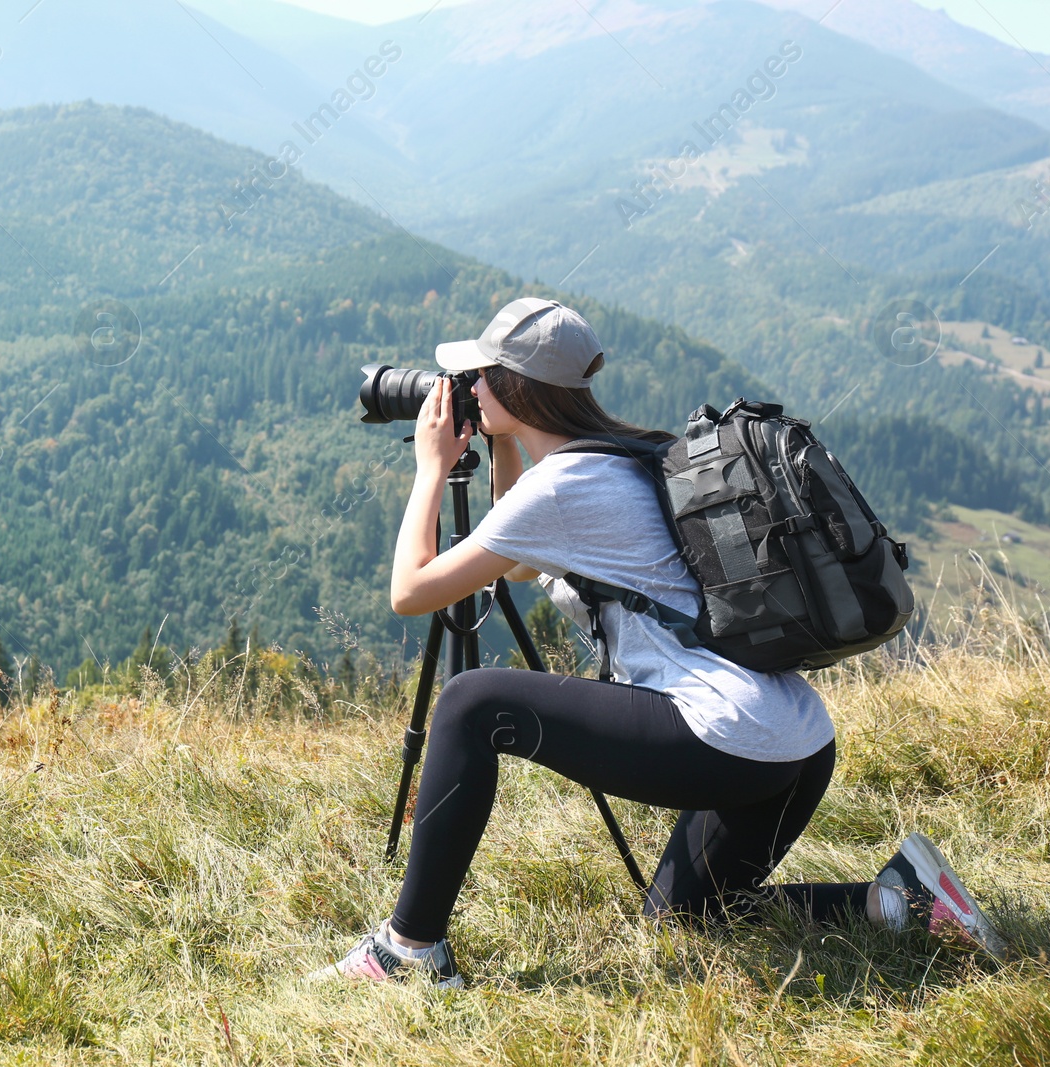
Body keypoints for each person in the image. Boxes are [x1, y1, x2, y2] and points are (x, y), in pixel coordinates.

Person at [311, 297, 1003, 987]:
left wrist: (431, 469)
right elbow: (521, 561)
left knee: (469, 703)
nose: (467, 389)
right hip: (796, 741)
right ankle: (907, 901)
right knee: (689, 922)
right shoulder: (626, 453)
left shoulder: (562, 485)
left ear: (516, 385)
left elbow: (410, 591)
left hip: (726, 736)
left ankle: (407, 950)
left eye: (480, 376)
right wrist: (502, 441)